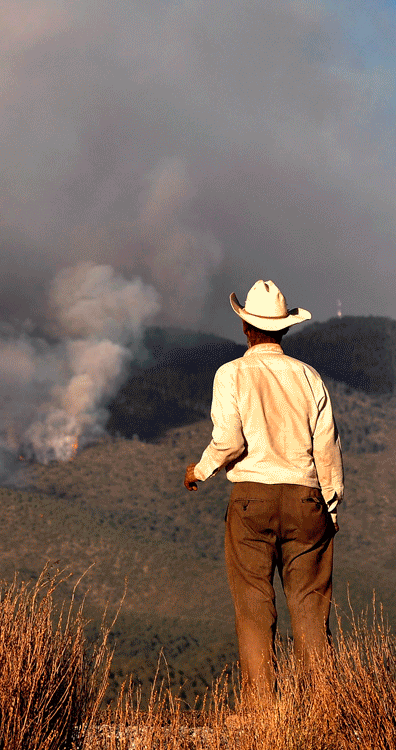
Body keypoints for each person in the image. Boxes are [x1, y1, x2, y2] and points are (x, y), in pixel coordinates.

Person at [183, 279, 342, 704]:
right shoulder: (309, 377)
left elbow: (230, 442)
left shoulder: (231, 374)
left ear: (246, 328)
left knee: (254, 606)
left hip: (252, 498)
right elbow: (326, 448)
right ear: (285, 329)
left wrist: (199, 471)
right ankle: (325, 709)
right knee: (310, 607)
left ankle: (262, 714)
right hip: (307, 499)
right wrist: (330, 506)